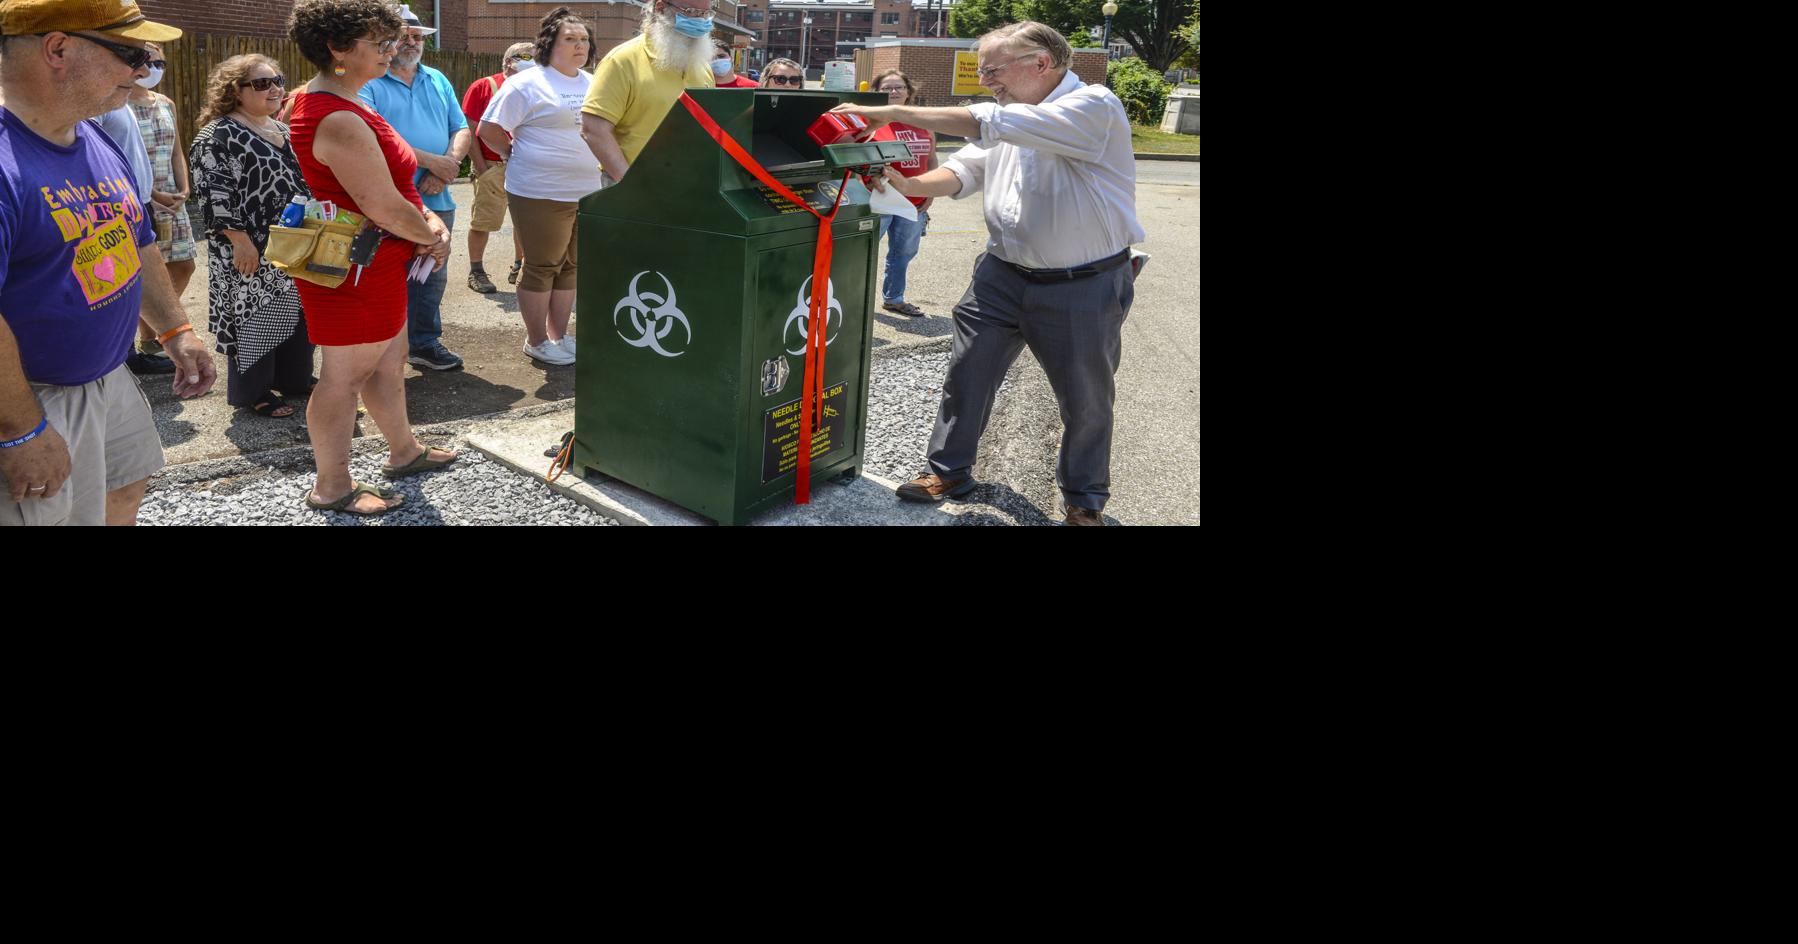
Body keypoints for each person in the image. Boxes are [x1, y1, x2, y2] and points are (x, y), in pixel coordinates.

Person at [831, 22, 1143, 526]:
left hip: (1081, 282)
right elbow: (961, 172)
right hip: (1000, 275)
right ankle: (949, 470)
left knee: (1085, 397)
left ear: (1041, 63)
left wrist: (887, 110)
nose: (988, 82)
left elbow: (986, 124)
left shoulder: (1093, 107)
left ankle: (1084, 500)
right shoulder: (1011, 117)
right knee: (967, 373)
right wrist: (903, 179)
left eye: (993, 71)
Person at [0, 0, 216, 527]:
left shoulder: (92, 132)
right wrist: (20, 430)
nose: (143, 70)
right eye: (130, 53)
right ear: (57, 48)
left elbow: (135, 240)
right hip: (34, 397)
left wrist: (176, 329)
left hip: (107, 378)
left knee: (125, 484)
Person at [287, 0, 457, 517]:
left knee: (387, 361)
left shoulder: (345, 100)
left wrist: (425, 222)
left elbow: (393, 190)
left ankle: (403, 451)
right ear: (337, 49)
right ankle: (332, 485)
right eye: (379, 43)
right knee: (345, 374)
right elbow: (380, 203)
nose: (391, 51)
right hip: (357, 264)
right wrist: (430, 234)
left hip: (376, 258)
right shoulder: (335, 114)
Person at [189, 53, 315, 419]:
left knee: (294, 312)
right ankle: (254, 392)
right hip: (248, 244)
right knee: (254, 317)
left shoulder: (281, 129)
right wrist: (241, 242)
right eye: (262, 83)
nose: (275, 88)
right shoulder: (218, 135)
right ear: (235, 91)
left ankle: (295, 378)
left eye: (278, 80)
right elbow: (214, 195)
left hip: (292, 242)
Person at [480, 7, 602, 367]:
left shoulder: (591, 82)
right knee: (542, 265)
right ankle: (536, 341)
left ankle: (559, 336)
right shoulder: (527, 83)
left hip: (586, 190)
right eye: (570, 39)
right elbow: (488, 129)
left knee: (571, 265)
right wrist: (511, 154)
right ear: (550, 43)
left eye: (584, 39)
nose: (580, 45)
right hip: (540, 192)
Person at [358, 4, 469, 372]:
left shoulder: (437, 78)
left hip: (438, 193)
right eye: (402, 35)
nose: (410, 42)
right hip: (390, 197)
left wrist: (448, 165)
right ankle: (382, 349)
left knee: (432, 274)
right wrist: (431, 162)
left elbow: (462, 128)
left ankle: (423, 342)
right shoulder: (369, 82)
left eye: (416, 36)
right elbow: (377, 135)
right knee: (384, 274)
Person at [579, 0, 716, 184]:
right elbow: (594, 130)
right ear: (660, 8)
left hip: (690, 185)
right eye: (691, 11)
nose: (701, 21)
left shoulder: (702, 66)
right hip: (634, 187)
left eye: (706, 14)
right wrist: (629, 184)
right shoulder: (622, 60)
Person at [93, 75, 173, 377]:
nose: (143, 71)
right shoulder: (97, 102)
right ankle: (122, 359)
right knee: (117, 282)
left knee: (130, 280)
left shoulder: (115, 96)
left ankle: (129, 355)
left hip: (136, 202)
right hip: (114, 209)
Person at [127, 42, 198, 363]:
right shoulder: (119, 104)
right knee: (146, 267)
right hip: (141, 198)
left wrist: (184, 187)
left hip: (173, 197)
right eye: (149, 61)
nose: (154, 69)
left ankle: (151, 332)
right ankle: (151, 336)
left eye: (161, 64)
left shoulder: (165, 103)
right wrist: (153, 195)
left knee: (183, 264)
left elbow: (176, 150)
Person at [460, 40, 533, 294]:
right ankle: (476, 270)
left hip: (526, 166)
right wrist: (482, 168)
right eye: (526, 57)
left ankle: (521, 267)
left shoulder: (536, 87)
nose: (533, 62)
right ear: (508, 62)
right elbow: (469, 130)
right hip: (493, 165)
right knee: (484, 220)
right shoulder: (484, 87)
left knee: (526, 222)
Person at [867, 69, 935, 318]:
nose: (894, 91)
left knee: (903, 252)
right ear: (877, 92)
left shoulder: (923, 121)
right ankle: (856, 300)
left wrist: (931, 191)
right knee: (863, 253)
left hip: (914, 201)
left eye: (899, 87)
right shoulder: (870, 121)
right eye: (887, 88)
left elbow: (932, 158)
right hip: (879, 199)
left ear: (908, 92)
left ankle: (894, 299)